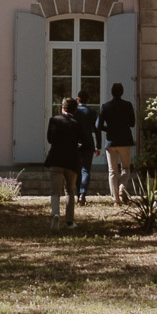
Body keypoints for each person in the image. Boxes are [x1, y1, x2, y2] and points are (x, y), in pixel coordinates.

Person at [43, 97, 91, 230]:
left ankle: (55, 214)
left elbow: (50, 139)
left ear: (62, 107)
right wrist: (78, 146)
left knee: (55, 191)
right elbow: (86, 141)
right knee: (70, 191)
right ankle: (70, 221)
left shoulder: (54, 120)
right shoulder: (76, 124)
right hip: (71, 160)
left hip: (56, 159)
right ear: (74, 110)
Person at [99, 83, 138, 204]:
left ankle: (116, 199)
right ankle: (122, 187)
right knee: (126, 168)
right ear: (122, 92)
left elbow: (98, 125)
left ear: (111, 92)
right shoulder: (128, 105)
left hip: (111, 142)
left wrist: (109, 129)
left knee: (112, 171)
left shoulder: (105, 106)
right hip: (125, 141)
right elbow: (132, 123)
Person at [72, 94, 99, 203]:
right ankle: (82, 194)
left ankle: (79, 193)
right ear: (88, 100)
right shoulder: (92, 112)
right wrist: (99, 145)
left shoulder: (74, 112)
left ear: (78, 99)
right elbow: (97, 130)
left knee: (77, 170)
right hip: (88, 144)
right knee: (86, 170)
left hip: (76, 144)